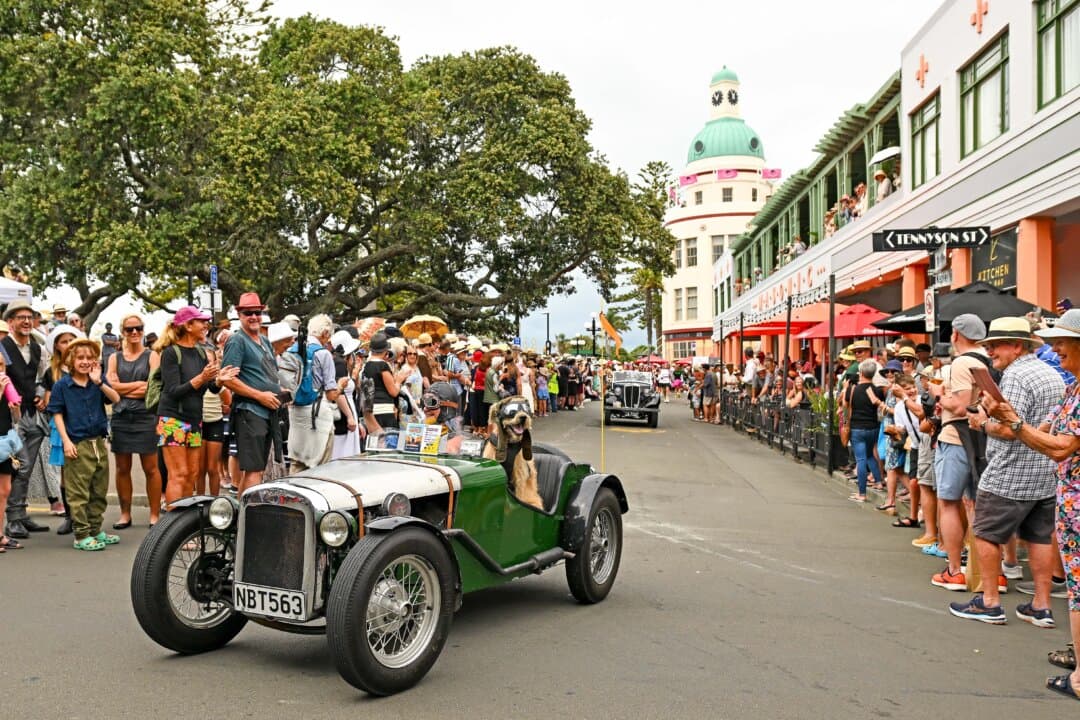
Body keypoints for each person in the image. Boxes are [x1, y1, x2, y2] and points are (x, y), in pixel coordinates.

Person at [981, 309, 1080, 698]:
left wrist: (1008, 423)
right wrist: (1006, 418)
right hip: (1065, 495)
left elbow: (1060, 447)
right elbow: (1045, 431)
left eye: (1063, 341)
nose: (1056, 348)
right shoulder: (1069, 385)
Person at [949, 318, 1064, 625]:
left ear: (1016, 345)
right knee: (1039, 537)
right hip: (1044, 471)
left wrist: (982, 424)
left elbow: (1011, 428)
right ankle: (1041, 605)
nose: (989, 351)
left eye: (995, 345)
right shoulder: (1051, 372)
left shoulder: (1014, 376)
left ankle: (990, 602)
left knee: (986, 532)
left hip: (1010, 471)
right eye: (987, 345)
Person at [926, 314, 988, 592]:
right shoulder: (989, 360)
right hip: (985, 439)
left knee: (949, 502)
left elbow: (962, 407)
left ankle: (955, 570)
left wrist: (938, 394)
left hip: (956, 438)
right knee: (981, 505)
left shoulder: (962, 363)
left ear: (955, 334)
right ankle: (988, 572)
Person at [47, 338, 121, 550]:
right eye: (80, 357)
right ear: (71, 359)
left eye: (89, 358)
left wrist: (99, 381)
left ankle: (96, 529)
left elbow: (115, 398)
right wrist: (66, 442)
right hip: (77, 444)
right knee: (78, 493)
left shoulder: (96, 382)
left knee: (98, 490)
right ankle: (81, 535)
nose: (85, 361)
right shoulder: (63, 385)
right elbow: (57, 414)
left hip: (98, 442)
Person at [157, 306, 235, 505]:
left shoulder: (201, 353)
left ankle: (183, 527)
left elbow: (207, 389)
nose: (206, 325)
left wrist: (218, 381)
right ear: (188, 325)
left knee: (192, 474)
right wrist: (202, 378)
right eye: (201, 321)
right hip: (172, 419)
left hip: (194, 420)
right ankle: (171, 527)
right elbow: (173, 391)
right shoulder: (170, 353)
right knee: (179, 474)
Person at [221, 293, 282, 493]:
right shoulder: (237, 341)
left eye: (257, 312)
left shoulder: (264, 341)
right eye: (248, 313)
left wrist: (280, 391)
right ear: (239, 315)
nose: (254, 316)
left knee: (258, 470)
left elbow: (268, 375)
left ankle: (247, 518)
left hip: (267, 412)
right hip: (249, 412)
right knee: (253, 471)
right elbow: (227, 379)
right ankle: (246, 521)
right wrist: (259, 396)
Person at [106, 314, 162, 527]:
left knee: (151, 468)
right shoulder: (114, 358)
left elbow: (153, 388)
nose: (134, 333)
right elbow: (111, 387)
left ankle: (154, 514)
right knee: (122, 468)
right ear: (123, 332)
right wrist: (137, 385)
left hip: (146, 417)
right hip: (121, 417)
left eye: (138, 328)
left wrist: (123, 388)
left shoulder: (152, 355)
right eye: (129, 329)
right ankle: (125, 514)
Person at [2, 300, 50, 539]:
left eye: (29, 317)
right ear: (10, 322)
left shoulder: (38, 348)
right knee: (17, 466)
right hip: (10, 418)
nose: (26, 321)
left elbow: (43, 377)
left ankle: (20, 514)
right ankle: (12, 519)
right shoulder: (2, 347)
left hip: (33, 415)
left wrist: (41, 395)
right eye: (20, 317)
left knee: (27, 467)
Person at [286, 315, 340, 472]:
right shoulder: (324, 354)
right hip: (318, 413)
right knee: (320, 465)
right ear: (324, 332)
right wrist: (340, 387)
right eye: (328, 335)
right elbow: (331, 395)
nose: (328, 339)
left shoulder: (292, 350)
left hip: (296, 412)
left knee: (297, 462)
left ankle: (293, 494)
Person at [849, 360, 886, 503]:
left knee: (861, 459)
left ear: (861, 373)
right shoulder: (877, 390)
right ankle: (878, 481)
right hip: (873, 426)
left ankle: (862, 493)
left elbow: (847, 405)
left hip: (858, 427)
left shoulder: (854, 389)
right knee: (870, 454)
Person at [362, 333, 400, 432]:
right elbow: (393, 392)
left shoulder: (366, 365)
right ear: (385, 350)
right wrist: (399, 380)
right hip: (384, 411)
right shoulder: (383, 366)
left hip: (370, 410)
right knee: (387, 444)